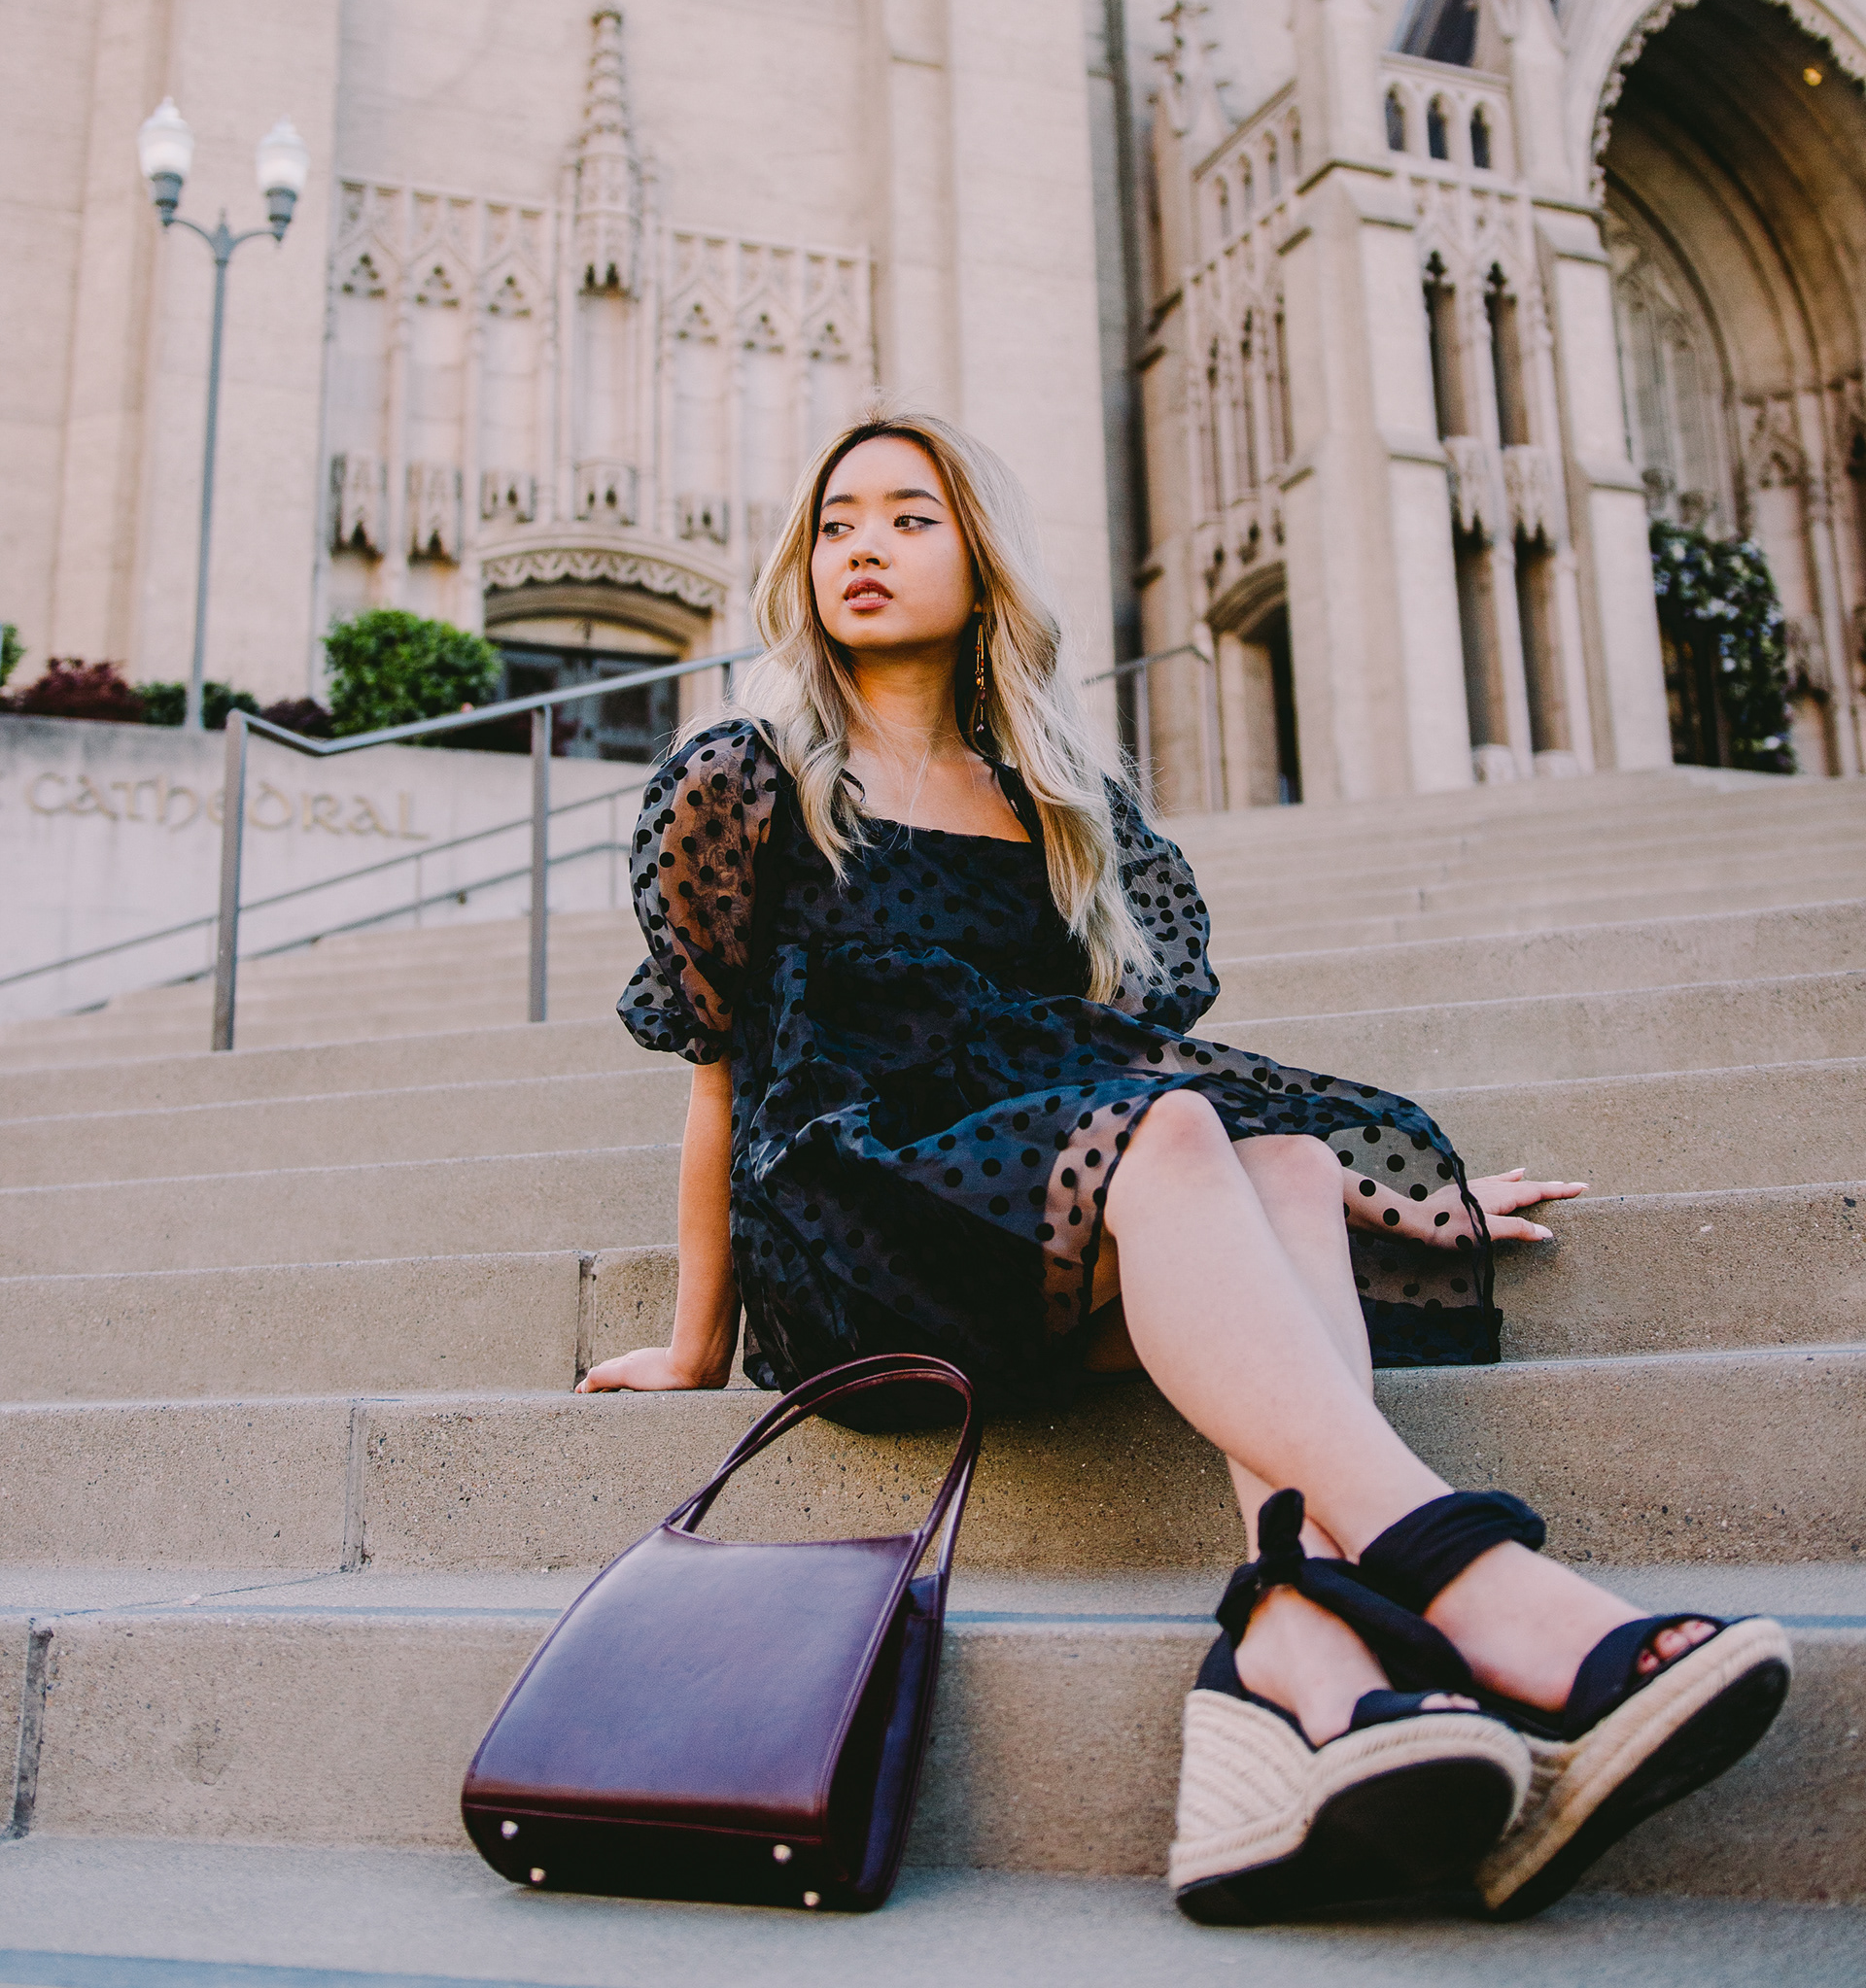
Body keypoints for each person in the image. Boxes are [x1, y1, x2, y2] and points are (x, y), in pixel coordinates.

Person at [577, 413, 1790, 1923]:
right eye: (836, 523)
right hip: (849, 1228)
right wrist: (695, 1348)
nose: (862, 549)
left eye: (909, 518)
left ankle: (1295, 1647)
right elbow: (714, 1075)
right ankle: (1469, 1580)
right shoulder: (743, 780)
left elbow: (1106, 1064)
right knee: (1180, 1134)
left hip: (1017, 1218)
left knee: (1280, 1163)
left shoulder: (1055, 808)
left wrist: (1380, 1189)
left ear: (985, 564)